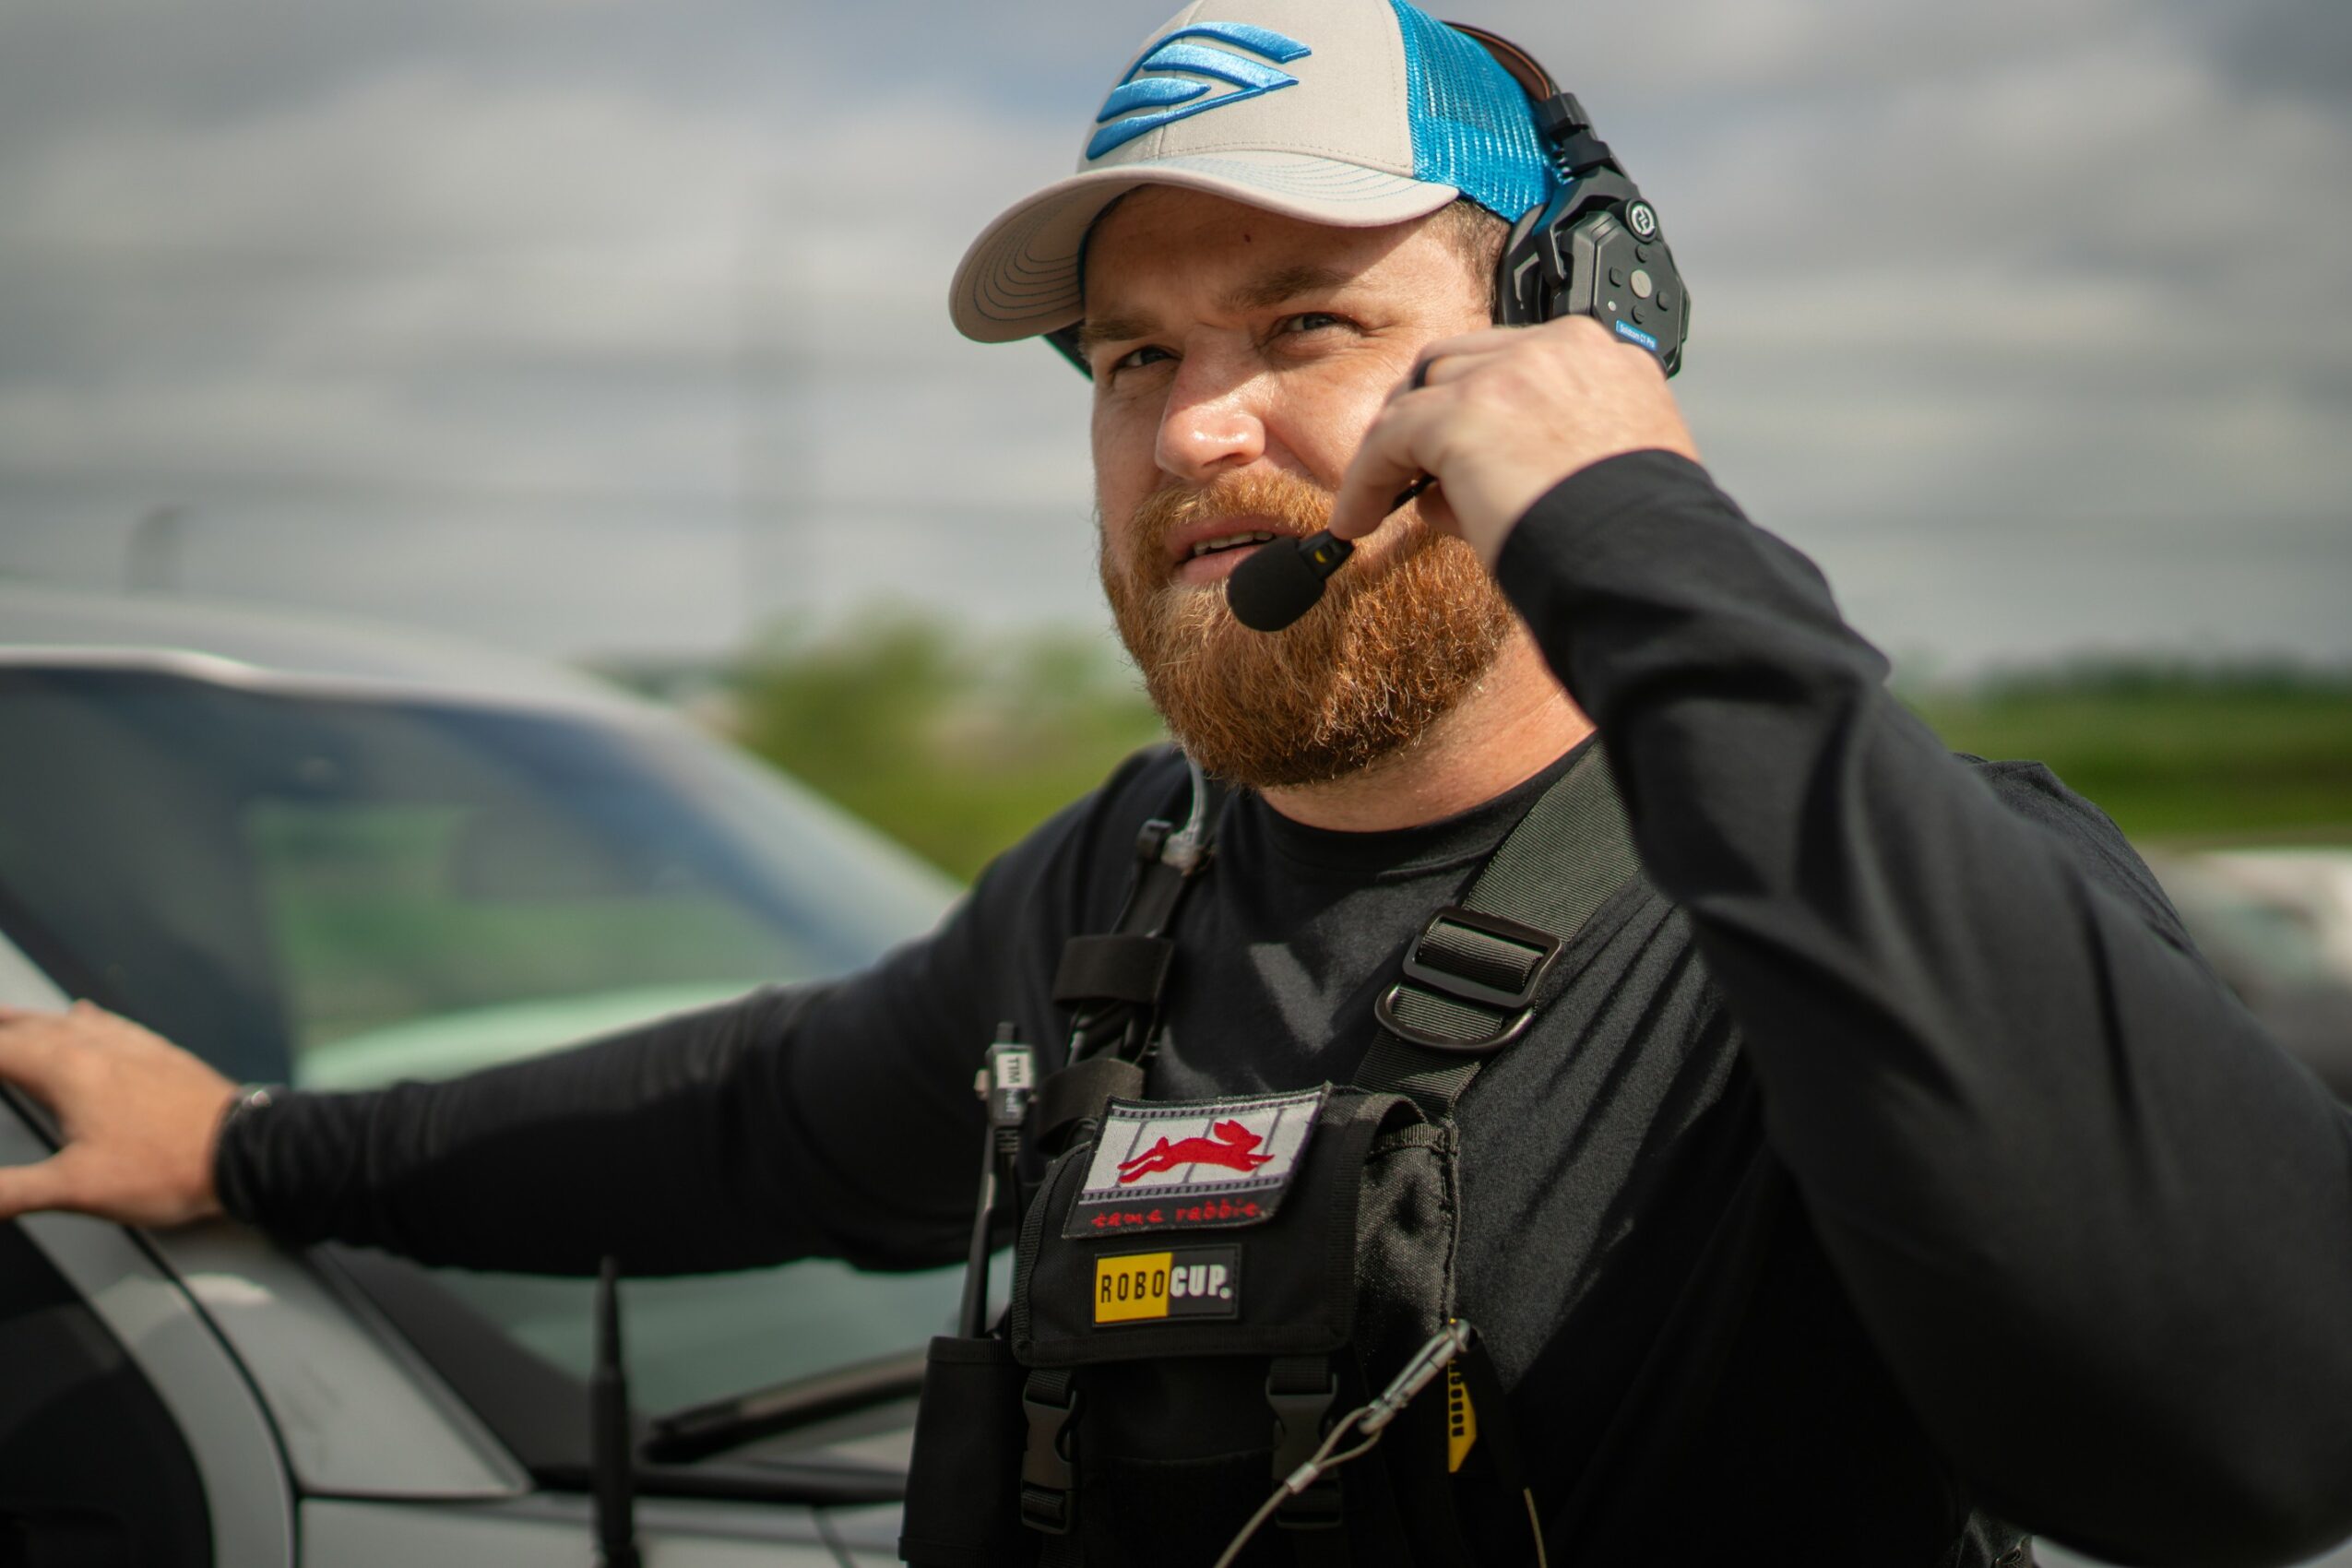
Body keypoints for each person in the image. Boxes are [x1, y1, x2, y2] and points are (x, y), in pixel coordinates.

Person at [3, 1, 2348, 1562]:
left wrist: (1641, 525)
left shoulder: (1881, 890)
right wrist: (245, 1147)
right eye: (1135, 355)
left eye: (1311, 322)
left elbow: (2258, 1433)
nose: (1197, 425)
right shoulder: (1127, 883)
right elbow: (752, 1117)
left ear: (1575, 347)